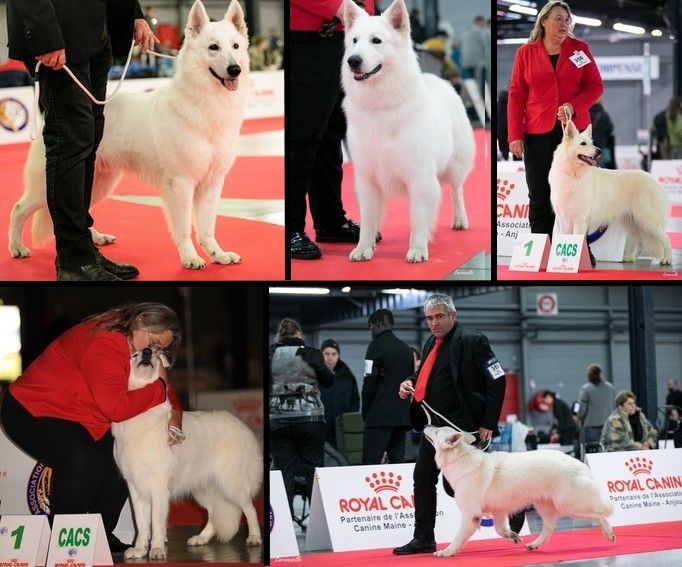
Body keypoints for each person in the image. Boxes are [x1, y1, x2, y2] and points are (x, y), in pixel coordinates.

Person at [0, 302, 183, 554]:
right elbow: (117, 409)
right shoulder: (105, 343)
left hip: (80, 414)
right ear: (140, 321)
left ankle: (97, 536)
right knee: (82, 461)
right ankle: (64, 542)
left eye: (159, 347)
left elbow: (162, 380)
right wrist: (159, 390)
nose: (152, 350)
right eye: (152, 341)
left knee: (123, 461)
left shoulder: (132, 335)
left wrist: (175, 415)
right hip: (31, 409)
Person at [7, 0, 157, 280]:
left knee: (88, 142)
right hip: (60, 35)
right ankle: (73, 258)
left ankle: (84, 249)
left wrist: (134, 15)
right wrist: (45, 35)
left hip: (98, 35)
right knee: (70, 142)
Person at [393, 293, 507, 555]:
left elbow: (497, 379)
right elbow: (425, 374)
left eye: (439, 316)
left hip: (464, 429)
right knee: (422, 477)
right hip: (434, 430)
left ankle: (513, 509)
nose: (433, 323)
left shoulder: (473, 340)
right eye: (429, 318)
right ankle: (423, 538)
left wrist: (489, 421)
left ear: (453, 316)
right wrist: (409, 380)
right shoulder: (431, 342)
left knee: (458, 485)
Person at [507, 1, 603, 265]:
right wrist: (514, 134)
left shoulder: (580, 50)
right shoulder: (525, 53)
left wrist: (575, 105)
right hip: (537, 131)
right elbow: (516, 95)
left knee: (578, 194)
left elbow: (595, 86)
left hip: (572, 136)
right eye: (558, 19)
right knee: (538, 192)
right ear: (544, 22)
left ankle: (580, 250)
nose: (564, 24)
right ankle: (540, 249)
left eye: (567, 20)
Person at [289, 0, 377, 260]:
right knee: (303, 134)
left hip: (349, 34)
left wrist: (366, 16)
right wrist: (339, 6)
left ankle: (330, 220)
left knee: (332, 133)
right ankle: (292, 228)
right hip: (309, 35)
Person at [269, 318, 333, 510]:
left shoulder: (271, 354)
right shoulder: (311, 353)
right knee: (313, 471)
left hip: (278, 420)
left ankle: (284, 524)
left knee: (284, 472)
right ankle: (318, 521)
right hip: (310, 419)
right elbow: (329, 381)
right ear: (299, 334)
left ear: (280, 335)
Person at [361, 309, 413, 464]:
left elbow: (369, 381)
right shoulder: (406, 349)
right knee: (398, 463)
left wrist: (366, 411)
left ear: (378, 324)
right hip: (401, 417)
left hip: (378, 417)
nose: (370, 331)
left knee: (370, 464)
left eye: (370, 326)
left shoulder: (375, 346)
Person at [318, 338, 360, 448]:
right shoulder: (314, 376)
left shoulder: (347, 377)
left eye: (334, 354)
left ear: (338, 356)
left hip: (341, 431)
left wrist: (349, 424)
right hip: (320, 431)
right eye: (326, 354)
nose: (330, 358)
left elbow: (355, 402)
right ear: (321, 355)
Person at [577, 363, 615, 448]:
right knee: (608, 448)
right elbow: (614, 405)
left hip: (591, 425)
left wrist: (579, 417)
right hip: (608, 424)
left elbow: (582, 408)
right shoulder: (610, 387)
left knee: (593, 449)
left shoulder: (586, 389)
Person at [589, 101, 615, 169]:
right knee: (601, 166)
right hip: (601, 144)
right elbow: (610, 128)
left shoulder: (586, 114)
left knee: (589, 166)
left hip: (588, 144)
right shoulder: (604, 114)